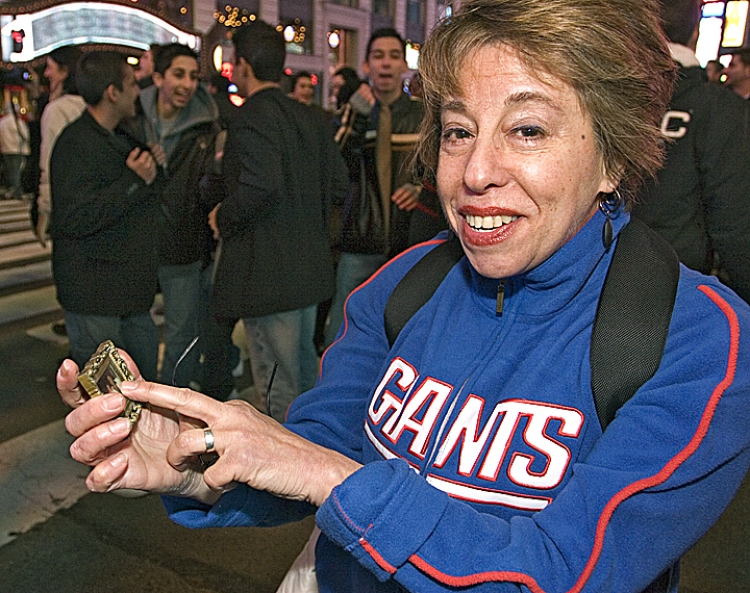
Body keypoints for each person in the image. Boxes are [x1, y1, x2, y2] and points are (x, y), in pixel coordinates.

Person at [59, 2, 750, 593]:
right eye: (457, 131)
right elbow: (316, 445)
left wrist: (334, 479)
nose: (475, 172)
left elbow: (560, 570)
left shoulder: (699, 340)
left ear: (614, 156)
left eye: (527, 129)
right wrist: (195, 463)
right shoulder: (405, 282)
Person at [202, 20, 347, 420]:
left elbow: (259, 186)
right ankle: (312, 450)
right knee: (303, 372)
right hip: (310, 269)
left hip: (267, 274)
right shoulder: (311, 118)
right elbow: (339, 188)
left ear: (243, 64)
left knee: (277, 382)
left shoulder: (250, 117)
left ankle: (287, 475)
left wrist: (222, 214)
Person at [324, 28, 445, 348]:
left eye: (394, 56)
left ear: (404, 65)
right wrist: (355, 118)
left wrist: (421, 188)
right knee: (342, 328)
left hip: (409, 239)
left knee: (404, 328)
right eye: (378, 56)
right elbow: (335, 168)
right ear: (366, 66)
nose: (386, 64)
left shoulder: (422, 115)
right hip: (362, 237)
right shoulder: (353, 114)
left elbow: (440, 166)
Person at [50, 51, 163, 381]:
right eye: (130, 84)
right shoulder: (75, 143)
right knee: (106, 394)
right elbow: (76, 217)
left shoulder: (125, 135)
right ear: (112, 92)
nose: (137, 91)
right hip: (95, 293)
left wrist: (154, 168)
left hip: (131, 292)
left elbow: (149, 196)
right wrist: (133, 180)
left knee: (140, 386)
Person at [635, 0, 750, 303]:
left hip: (596, 285)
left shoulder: (607, 98)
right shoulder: (719, 108)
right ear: (696, 30)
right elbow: (735, 221)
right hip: (679, 293)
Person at [121, 43, 221, 387]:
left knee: (182, 332)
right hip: (135, 241)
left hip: (184, 241)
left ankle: (170, 398)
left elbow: (208, 186)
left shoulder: (207, 125)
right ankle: (139, 393)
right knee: (135, 326)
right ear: (158, 76)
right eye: (178, 74)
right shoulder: (129, 115)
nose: (187, 84)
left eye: (193, 76)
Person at [35, 45, 85, 246]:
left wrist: (44, 210)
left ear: (65, 72)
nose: (47, 73)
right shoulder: (95, 105)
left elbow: (49, 163)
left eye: (50, 67)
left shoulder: (57, 110)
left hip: (67, 204)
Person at [0, 101, 30, 200]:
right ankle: (18, 192)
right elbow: (25, 135)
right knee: (17, 172)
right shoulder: (17, 122)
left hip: (6, 149)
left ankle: (12, 189)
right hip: (17, 150)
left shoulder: (2, 122)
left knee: (11, 172)